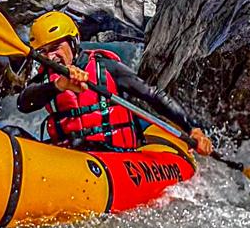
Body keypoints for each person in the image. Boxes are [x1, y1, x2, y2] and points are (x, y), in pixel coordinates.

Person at [17, 11, 213, 156]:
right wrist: (59, 85)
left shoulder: (105, 66)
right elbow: (24, 104)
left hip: (113, 154)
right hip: (70, 156)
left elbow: (152, 95)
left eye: (56, 47)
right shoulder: (47, 78)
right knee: (12, 132)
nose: (51, 56)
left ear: (74, 42)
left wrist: (192, 129)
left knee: (81, 144)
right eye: (44, 52)